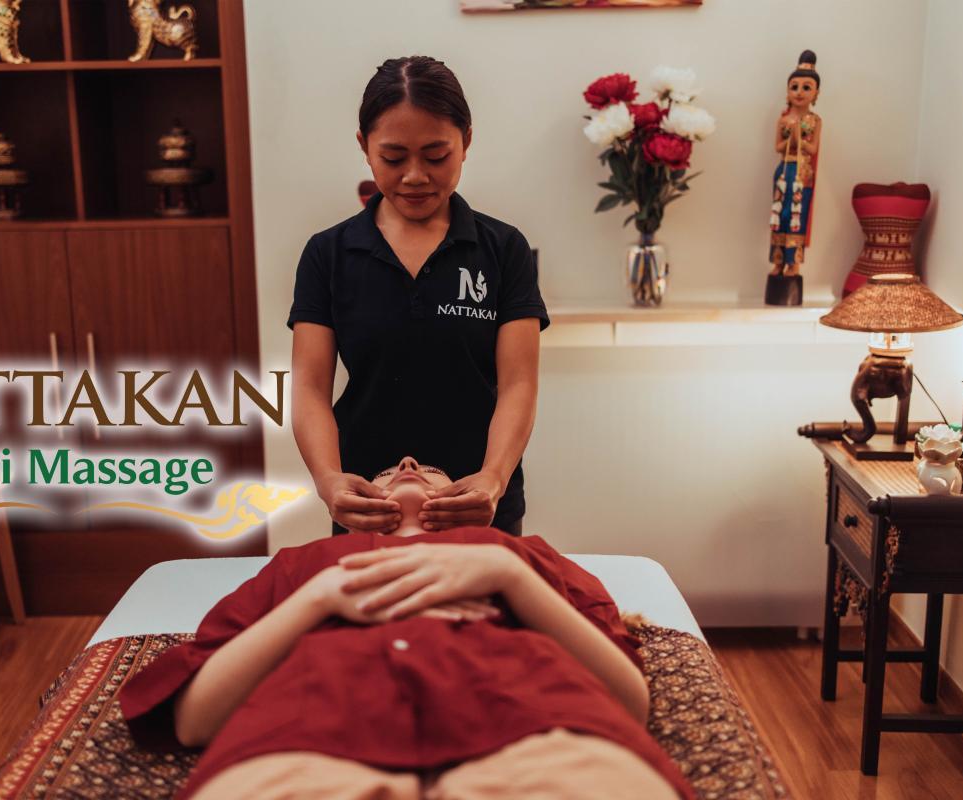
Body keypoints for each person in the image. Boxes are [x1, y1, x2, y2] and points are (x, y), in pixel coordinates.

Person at [118, 457, 693, 799]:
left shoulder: (520, 553)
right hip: (304, 735)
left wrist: (507, 575)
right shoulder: (302, 564)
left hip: (538, 728)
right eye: (389, 471)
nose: (410, 464)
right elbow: (195, 721)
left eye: (430, 468)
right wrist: (319, 598)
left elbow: (628, 703)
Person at [288, 55, 549, 538]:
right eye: (392, 157)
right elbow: (308, 388)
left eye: (435, 156)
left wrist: (493, 480)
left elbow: (519, 383)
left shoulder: (502, 249)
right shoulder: (329, 254)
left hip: (478, 502)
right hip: (370, 501)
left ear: (466, 142)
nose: (414, 176)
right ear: (364, 146)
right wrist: (329, 482)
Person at [769, 49, 822, 277]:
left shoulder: (815, 121)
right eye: (795, 87)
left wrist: (798, 136)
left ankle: (795, 263)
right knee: (779, 216)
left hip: (803, 173)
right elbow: (778, 148)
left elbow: (812, 149)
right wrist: (791, 136)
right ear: (788, 90)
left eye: (806, 87)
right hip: (784, 171)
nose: (799, 93)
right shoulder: (783, 119)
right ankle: (779, 261)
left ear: (816, 92)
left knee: (796, 217)